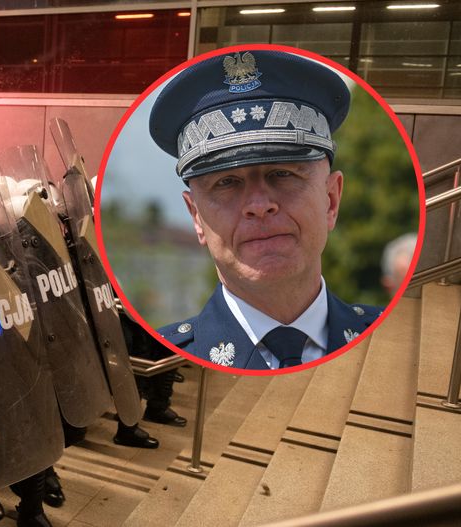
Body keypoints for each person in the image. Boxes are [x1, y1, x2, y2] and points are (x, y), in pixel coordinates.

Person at [149, 49, 381, 370]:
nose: (259, 206)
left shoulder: (391, 339)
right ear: (196, 217)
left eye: (282, 174)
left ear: (331, 199)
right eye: (227, 182)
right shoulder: (159, 361)